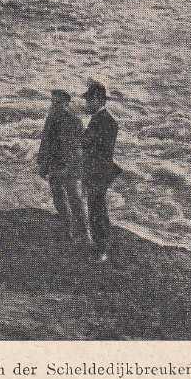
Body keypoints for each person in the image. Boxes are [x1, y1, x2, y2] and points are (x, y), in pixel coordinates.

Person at [36, 89, 87, 241]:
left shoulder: (74, 121)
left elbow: (78, 147)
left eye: (58, 102)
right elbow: (45, 142)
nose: (54, 105)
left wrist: (68, 167)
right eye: (52, 102)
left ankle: (83, 233)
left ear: (66, 104)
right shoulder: (51, 118)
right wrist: (42, 164)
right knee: (58, 196)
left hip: (70, 164)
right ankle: (67, 229)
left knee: (74, 198)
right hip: (55, 163)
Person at [81, 80, 121, 263]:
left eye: (89, 100)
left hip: (98, 172)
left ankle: (102, 249)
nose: (87, 104)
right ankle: (101, 245)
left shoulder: (103, 121)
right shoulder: (102, 120)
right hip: (98, 171)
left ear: (97, 99)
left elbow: (87, 143)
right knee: (97, 207)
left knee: (97, 209)